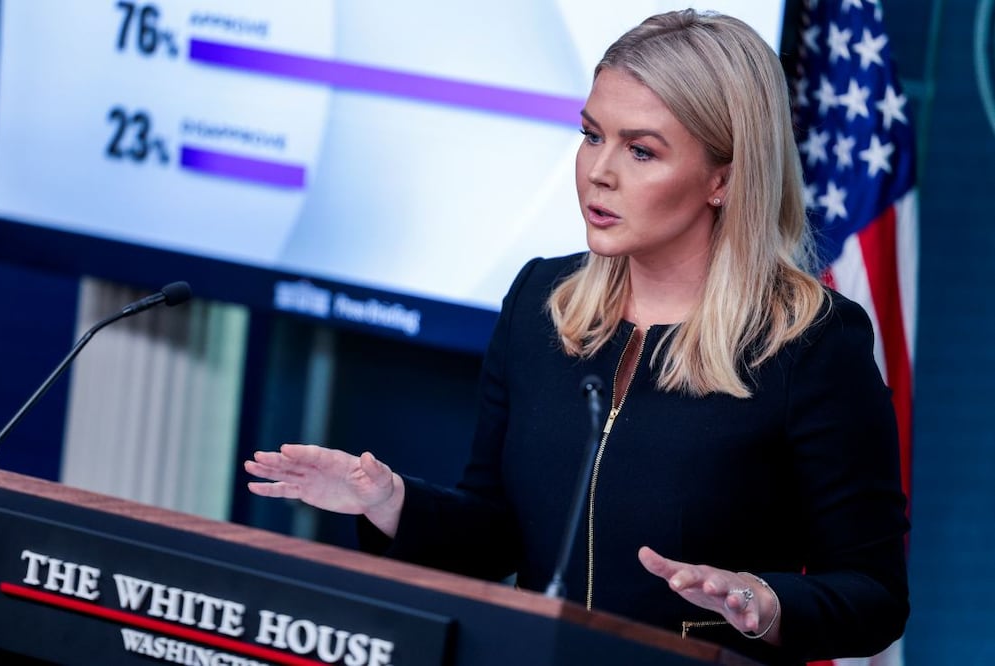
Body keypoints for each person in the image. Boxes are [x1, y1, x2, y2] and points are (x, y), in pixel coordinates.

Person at [245, 9, 909, 665]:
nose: (598, 171)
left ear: (723, 178)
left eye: (640, 150)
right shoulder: (543, 302)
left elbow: (872, 593)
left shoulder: (811, 344)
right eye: (592, 135)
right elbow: (496, 532)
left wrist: (761, 602)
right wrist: (389, 502)